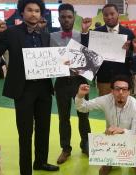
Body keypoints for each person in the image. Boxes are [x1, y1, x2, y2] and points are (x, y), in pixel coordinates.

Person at [0, 0, 59, 174]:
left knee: (43, 129)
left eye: (37, 11)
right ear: (22, 12)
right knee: (25, 133)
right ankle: (25, 170)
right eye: (30, 10)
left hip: (43, 88)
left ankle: (40, 162)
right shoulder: (11, 33)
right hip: (23, 89)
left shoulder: (45, 35)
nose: (33, 14)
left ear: (41, 14)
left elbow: (52, 60)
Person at [75, 75, 136, 175]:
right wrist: (80, 96)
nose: (121, 93)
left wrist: (122, 131)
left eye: (124, 89)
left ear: (129, 92)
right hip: (110, 139)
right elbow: (82, 107)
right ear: (112, 91)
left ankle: (135, 162)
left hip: (129, 140)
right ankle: (108, 162)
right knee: (88, 146)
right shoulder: (106, 100)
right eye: (117, 89)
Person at [50, 3, 92, 164]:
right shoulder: (52, 37)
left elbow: (91, 57)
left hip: (79, 81)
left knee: (84, 116)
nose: (66, 20)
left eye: (69, 17)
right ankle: (66, 148)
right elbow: (49, 59)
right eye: (63, 17)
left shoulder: (82, 35)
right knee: (63, 117)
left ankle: (86, 145)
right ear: (59, 18)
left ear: (74, 17)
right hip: (61, 82)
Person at [82, 3, 135, 96]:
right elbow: (85, 50)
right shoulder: (96, 33)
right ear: (103, 17)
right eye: (106, 15)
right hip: (104, 79)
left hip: (123, 80)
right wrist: (85, 31)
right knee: (106, 109)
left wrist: (127, 53)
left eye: (112, 14)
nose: (109, 17)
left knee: (123, 108)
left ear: (118, 14)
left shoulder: (129, 33)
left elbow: (134, 56)